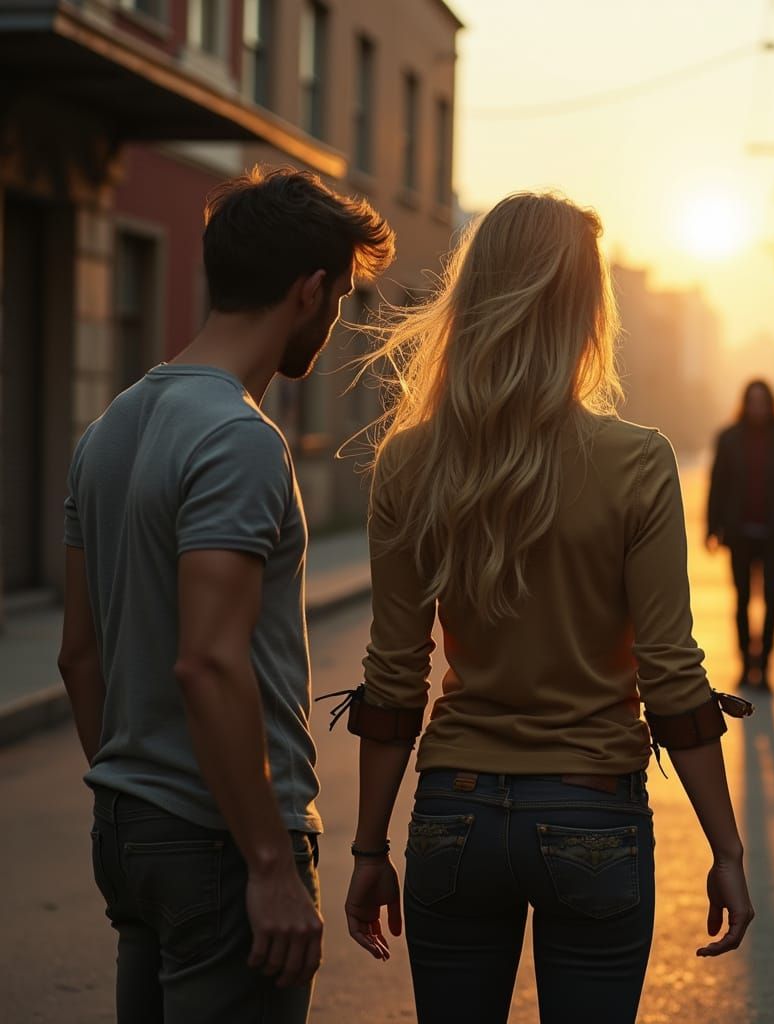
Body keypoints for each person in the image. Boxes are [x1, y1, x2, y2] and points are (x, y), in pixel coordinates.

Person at [331, 193, 753, 1024]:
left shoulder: (412, 460)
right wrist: (727, 850)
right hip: (591, 808)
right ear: (586, 310)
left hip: (453, 815)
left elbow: (392, 679)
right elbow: (671, 676)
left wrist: (369, 848)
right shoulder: (637, 462)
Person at [58, 167, 394, 1023]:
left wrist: (132, 789)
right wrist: (272, 865)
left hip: (134, 828)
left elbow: (78, 653)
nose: (334, 322)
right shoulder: (239, 439)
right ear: (309, 291)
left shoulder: (107, 432)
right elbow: (208, 661)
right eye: (342, 298)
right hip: (223, 843)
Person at [706, 379, 774, 692]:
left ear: (771, 404)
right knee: (740, 600)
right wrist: (712, 528)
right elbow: (718, 485)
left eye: (762, 401)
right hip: (739, 533)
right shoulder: (728, 439)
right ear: (745, 403)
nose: (757, 407)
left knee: (770, 600)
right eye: (752, 401)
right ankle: (744, 665)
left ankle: (765, 667)